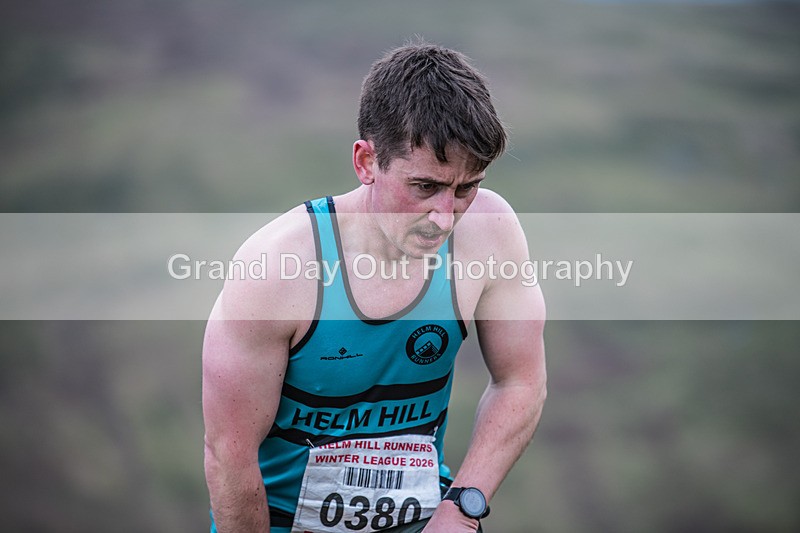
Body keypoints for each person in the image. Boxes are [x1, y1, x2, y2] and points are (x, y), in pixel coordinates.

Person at [203, 41, 547, 533]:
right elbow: (229, 460)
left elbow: (521, 382)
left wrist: (460, 508)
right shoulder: (276, 267)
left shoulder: (490, 231)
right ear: (366, 161)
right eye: (425, 187)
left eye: (466, 188)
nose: (444, 216)